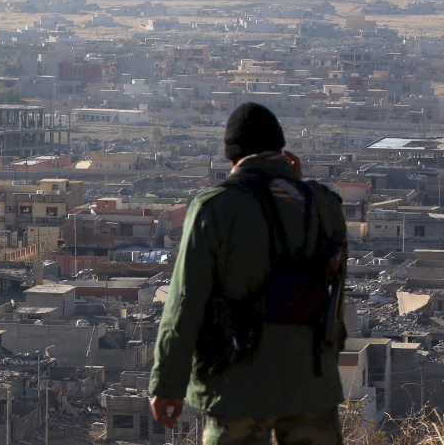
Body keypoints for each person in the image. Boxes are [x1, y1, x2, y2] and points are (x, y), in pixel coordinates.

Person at [148, 103, 347, 445]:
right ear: (281, 150)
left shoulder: (215, 207)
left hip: (237, 383)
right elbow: (334, 293)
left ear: (233, 158)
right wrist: (297, 186)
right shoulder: (324, 204)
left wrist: (167, 385)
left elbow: (184, 304)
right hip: (312, 381)